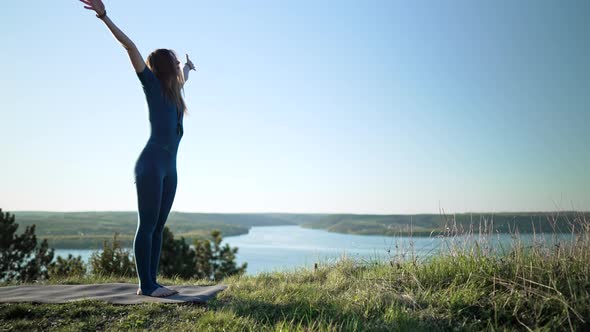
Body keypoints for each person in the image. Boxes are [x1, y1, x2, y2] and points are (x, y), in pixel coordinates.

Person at [78, 0, 196, 297]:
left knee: (158, 228)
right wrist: (105, 16)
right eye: (175, 61)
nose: (177, 63)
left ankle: (153, 282)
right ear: (165, 66)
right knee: (147, 225)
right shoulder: (152, 86)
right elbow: (130, 48)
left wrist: (188, 68)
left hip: (170, 169)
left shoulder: (175, 94)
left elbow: (182, 78)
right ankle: (146, 285)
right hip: (151, 166)